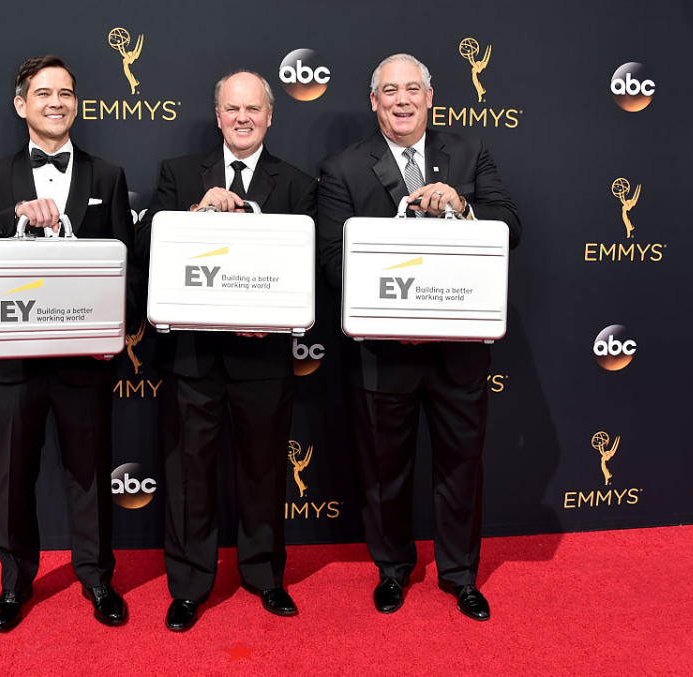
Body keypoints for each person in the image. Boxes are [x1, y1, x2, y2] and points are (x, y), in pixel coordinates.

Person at [317, 53, 521, 621]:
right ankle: (392, 569)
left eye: (412, 90)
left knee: (461, 466)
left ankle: (460, 576)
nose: (402, 100)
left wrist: (463, 205)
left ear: (430, 98)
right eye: (389, 91)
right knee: (384, 468)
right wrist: (393, 310)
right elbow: (330, 261)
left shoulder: (469, 155)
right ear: (374, 103)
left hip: (458, 352)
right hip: (383, 354)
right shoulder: (342, 169)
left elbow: (511, 227)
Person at [0, 55, 137, 632]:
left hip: (84, 359)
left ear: (76, 103)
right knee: (12, 479)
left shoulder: (107, 175)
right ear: (21, 104)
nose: (56, 101)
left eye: (65, 92)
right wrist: (15, 215)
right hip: (13, 359)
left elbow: (126, 259)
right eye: (43, 93)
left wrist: (121, 328)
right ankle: (14, 585)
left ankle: (97, 580)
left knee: (90, 473)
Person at [135, 71, 316, 632]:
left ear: (270, 117)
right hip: (192, 360)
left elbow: (310, 268)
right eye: (232, 108)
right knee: (189, 474)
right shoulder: (179, 175)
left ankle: (265, 577)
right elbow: (146, 252)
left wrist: (276, 316)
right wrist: (194, 213)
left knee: (263, 472)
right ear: (217, 116)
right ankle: (189, 586)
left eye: (253, 109)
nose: (242, 118)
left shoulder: (297, 183)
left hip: (263, 361)